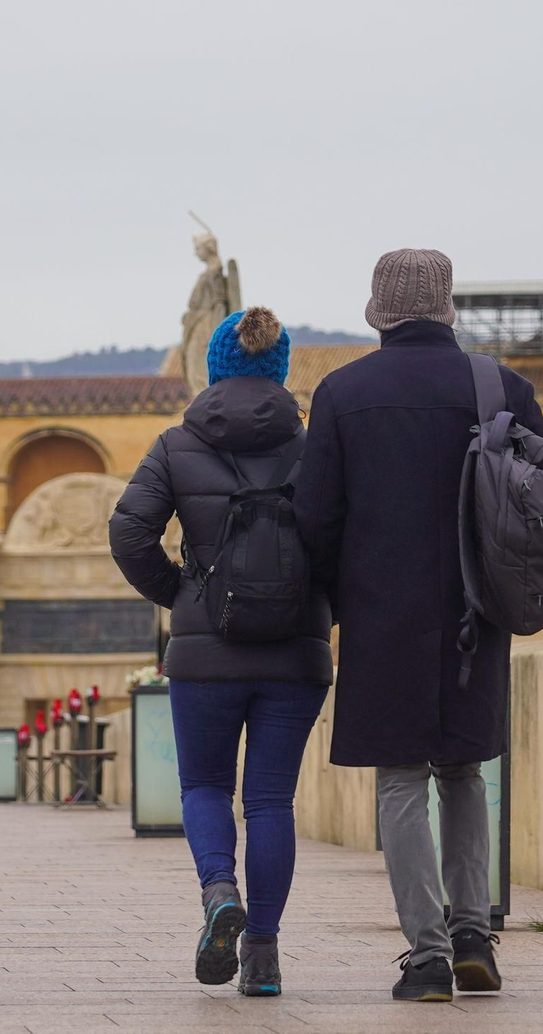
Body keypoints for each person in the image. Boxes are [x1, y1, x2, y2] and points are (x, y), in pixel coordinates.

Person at [293, 249, 543, 1003]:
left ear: (378, 311)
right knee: (464, 768)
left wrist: (339, 597)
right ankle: (475, 931)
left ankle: (428, 955)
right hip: (478, 609)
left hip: (382, 613)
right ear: (447, 306)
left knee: (401, 779)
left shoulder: (343, 394)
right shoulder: (498, 385)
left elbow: (314, 517)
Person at [110, 306, 333, 997]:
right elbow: (347, 543)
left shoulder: (176, 444)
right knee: (270, 800)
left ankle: (217, 894)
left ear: (214, 367)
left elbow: (129, 533)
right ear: (281, 368)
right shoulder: (317, 446)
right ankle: (262, 957)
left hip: (205, 653)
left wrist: (182, 593)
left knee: (205, 785)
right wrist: (319, 604)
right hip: (296, 654)